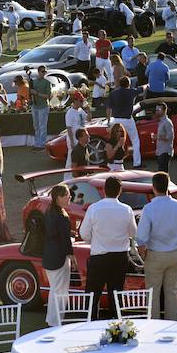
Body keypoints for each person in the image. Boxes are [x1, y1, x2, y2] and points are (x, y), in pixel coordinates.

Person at [136, 172, 177, 320]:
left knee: (153, 293)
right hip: (176, 253)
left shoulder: (149, 208)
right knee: (172, 291)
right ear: (168, 186)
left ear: (153, 188)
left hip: (156, 254)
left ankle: (154, 324)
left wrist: (142, 249)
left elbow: (141, 236)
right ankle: (171, 323)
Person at [80, 175, 137, 319]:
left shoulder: (94, 208)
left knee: (93, 295)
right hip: (120, 256)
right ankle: (116, 326)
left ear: (104, 190)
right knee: (116, 295)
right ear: (120, 191)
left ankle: (90, 323)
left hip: (99, 256)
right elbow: (133, 233)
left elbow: (84, 234)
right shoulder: (127, 209)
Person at [43, 184, 74, 326]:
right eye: (67, 194)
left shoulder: (49, 211)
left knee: (55, 289)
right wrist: (72, 256)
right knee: (60, 291)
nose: (70, 197)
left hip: (48, 255)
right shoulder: (61, 215)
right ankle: (55, 322)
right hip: (59, 258)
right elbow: (65, 240)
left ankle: (52, 320)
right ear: (58, 197)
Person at [107, 76, 141, 168]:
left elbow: (109, 108)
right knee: (135, 140)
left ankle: (113, 161)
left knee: (114, 140)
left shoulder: (113, 93)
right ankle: (137, 163)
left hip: (116, 119)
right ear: (128, 84)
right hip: (128, 119)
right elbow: (142, 88)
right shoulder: (131, 92)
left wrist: (108, 121)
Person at [64, 92, 90, 168]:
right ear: (75, 101)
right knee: (71, 160)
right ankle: (68, 178)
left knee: (82, 159)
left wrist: (88, 110)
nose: (82, 102)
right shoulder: (70, 113)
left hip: (81, 138)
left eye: (82, 101)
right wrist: (72, 142)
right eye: (80, 101)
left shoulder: (80, 110)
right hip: (74, 139)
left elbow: (89, 119)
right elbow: (69, 128)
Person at [30, 65, 52, 152]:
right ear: (38, 72)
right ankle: (37, 143)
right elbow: (30, 94)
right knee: (36, 126)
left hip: (43, 106)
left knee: (42, 126)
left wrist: (36, 93)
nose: (44, 73)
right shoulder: (33, 82)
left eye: (45, 71)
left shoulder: (47, 82)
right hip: (34, 106)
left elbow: (48, 96)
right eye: (42, 71)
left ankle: (42, 144)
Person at [154, 103, 175, 173]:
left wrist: (157, 137)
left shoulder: (167, 122)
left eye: (158, 110)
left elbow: (170, 136)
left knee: (163, 173)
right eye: (156, 110)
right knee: (162, 172)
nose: (157, 111)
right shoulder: (161, 121)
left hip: (165, 151)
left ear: (164, 110)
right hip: (160, 151)